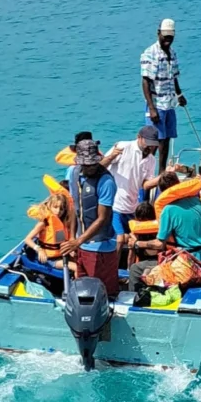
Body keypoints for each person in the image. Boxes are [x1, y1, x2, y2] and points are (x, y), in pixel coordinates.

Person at [128, 171, 201, 270]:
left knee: (135, 269)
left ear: (162, 192)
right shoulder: (196, 200)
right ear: (179, 186)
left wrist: (137, 243)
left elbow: (159, 244)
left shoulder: (168, 210)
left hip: (187, 261)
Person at [60, 139, 119, 297]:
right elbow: (74, 207)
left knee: (104, 292)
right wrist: (72, 238)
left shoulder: (106, 182)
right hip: (81, 246)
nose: (90, 167)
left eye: (93, 163)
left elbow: (103, 219)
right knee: (83, 289)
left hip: (101, 248)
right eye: (86, 164)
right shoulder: (74, 174)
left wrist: (78, 242)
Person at [100, 125, 161, 260]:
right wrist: (111, 156)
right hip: (115, 204)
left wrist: (162, 178)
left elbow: (145, 185)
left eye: (153, 145)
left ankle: (130, 269)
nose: (150, 147)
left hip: (132, 206)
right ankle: (112, 269)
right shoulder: (123, 146)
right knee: (120, 239)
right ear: (139, 138)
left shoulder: (151, 160)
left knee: (134, 240)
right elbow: (100, 166)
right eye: (148, 143)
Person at [141, 19, 187, 171]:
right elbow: (146, 82)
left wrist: (180, 95)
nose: (167, 40)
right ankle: (145, 171)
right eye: (165, 36)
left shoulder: (172, 54)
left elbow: (174, 77)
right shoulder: (149, 53)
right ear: (158, 33)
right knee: (154, 141)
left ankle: (161, 172)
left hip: (169, 103)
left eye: (170, 37)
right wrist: (152, 108)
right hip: (156, 104)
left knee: (166, 139)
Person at [24, 193, 77, 273]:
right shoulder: (43, 223)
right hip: (50, 259)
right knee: (76, 267)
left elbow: (62, 240)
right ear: (49, 206)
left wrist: (70, 249)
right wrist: (39, 250)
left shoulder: (63, 222)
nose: (58, 211)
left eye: (61, 209)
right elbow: (27, 239)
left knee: (81, 262)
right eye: (55, 207)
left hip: (62, 254)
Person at [127, 201, 161, 291]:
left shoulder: (135, 235)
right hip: (149, 263)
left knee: (135, 268)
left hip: (157, 263)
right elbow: (131, 255)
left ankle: (133, 296)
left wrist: (137, 244)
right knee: (137, 269)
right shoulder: (158, 230)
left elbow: (131, 256)